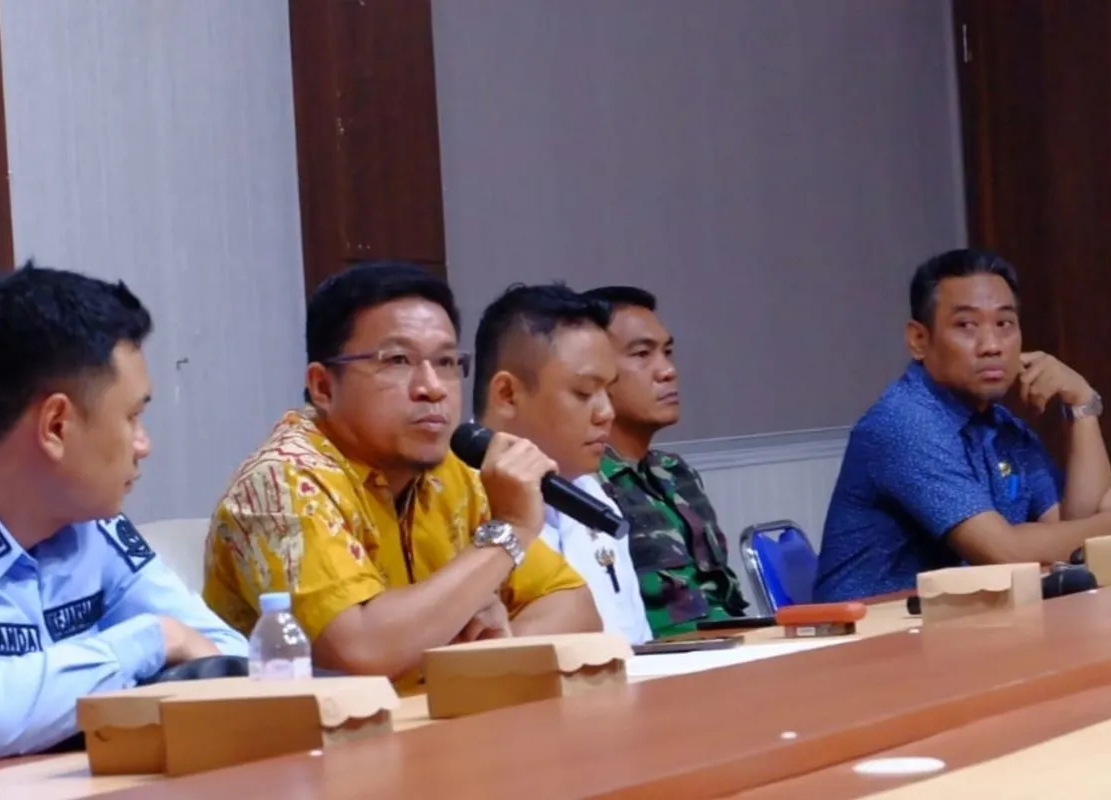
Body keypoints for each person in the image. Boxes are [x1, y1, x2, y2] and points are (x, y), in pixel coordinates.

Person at [204, 263, 599, 693]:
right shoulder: (281, 483)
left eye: (446, 362)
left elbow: (576, 607)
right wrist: (509, 531)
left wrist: (494, 652)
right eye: (397, 361)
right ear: (322, 387)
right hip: (310, 732)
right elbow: (360, 652)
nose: (432, 387)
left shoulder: (451, 472)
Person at [0, 264, 247, 761]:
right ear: (56, 426)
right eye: (132, 417)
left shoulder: (93, 526)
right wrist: (151, 640)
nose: (144, 445)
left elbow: (225, 655)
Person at [814, 249, 1111, 601]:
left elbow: (1071, 535)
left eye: (1004, 324)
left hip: (958, 620)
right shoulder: (904, 424)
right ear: (919, 341)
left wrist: (1082, 405)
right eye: (967, 326)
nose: (991, 346)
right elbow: (1005, 552)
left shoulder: (1002, 427)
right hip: (870, 628)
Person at [474, 284, 652, 645]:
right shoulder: (455, 498)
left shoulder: (590, 490)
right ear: (507, 395)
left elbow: (635, 639)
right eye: (584, 393)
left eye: (609, 392)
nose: (607, 413)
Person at [581, 286, 748, 638]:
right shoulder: (584, 487)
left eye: (667, 352)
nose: (668, 370)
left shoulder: (676, 473)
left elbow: (725, 600)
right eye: (642, 354)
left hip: (729, 648)